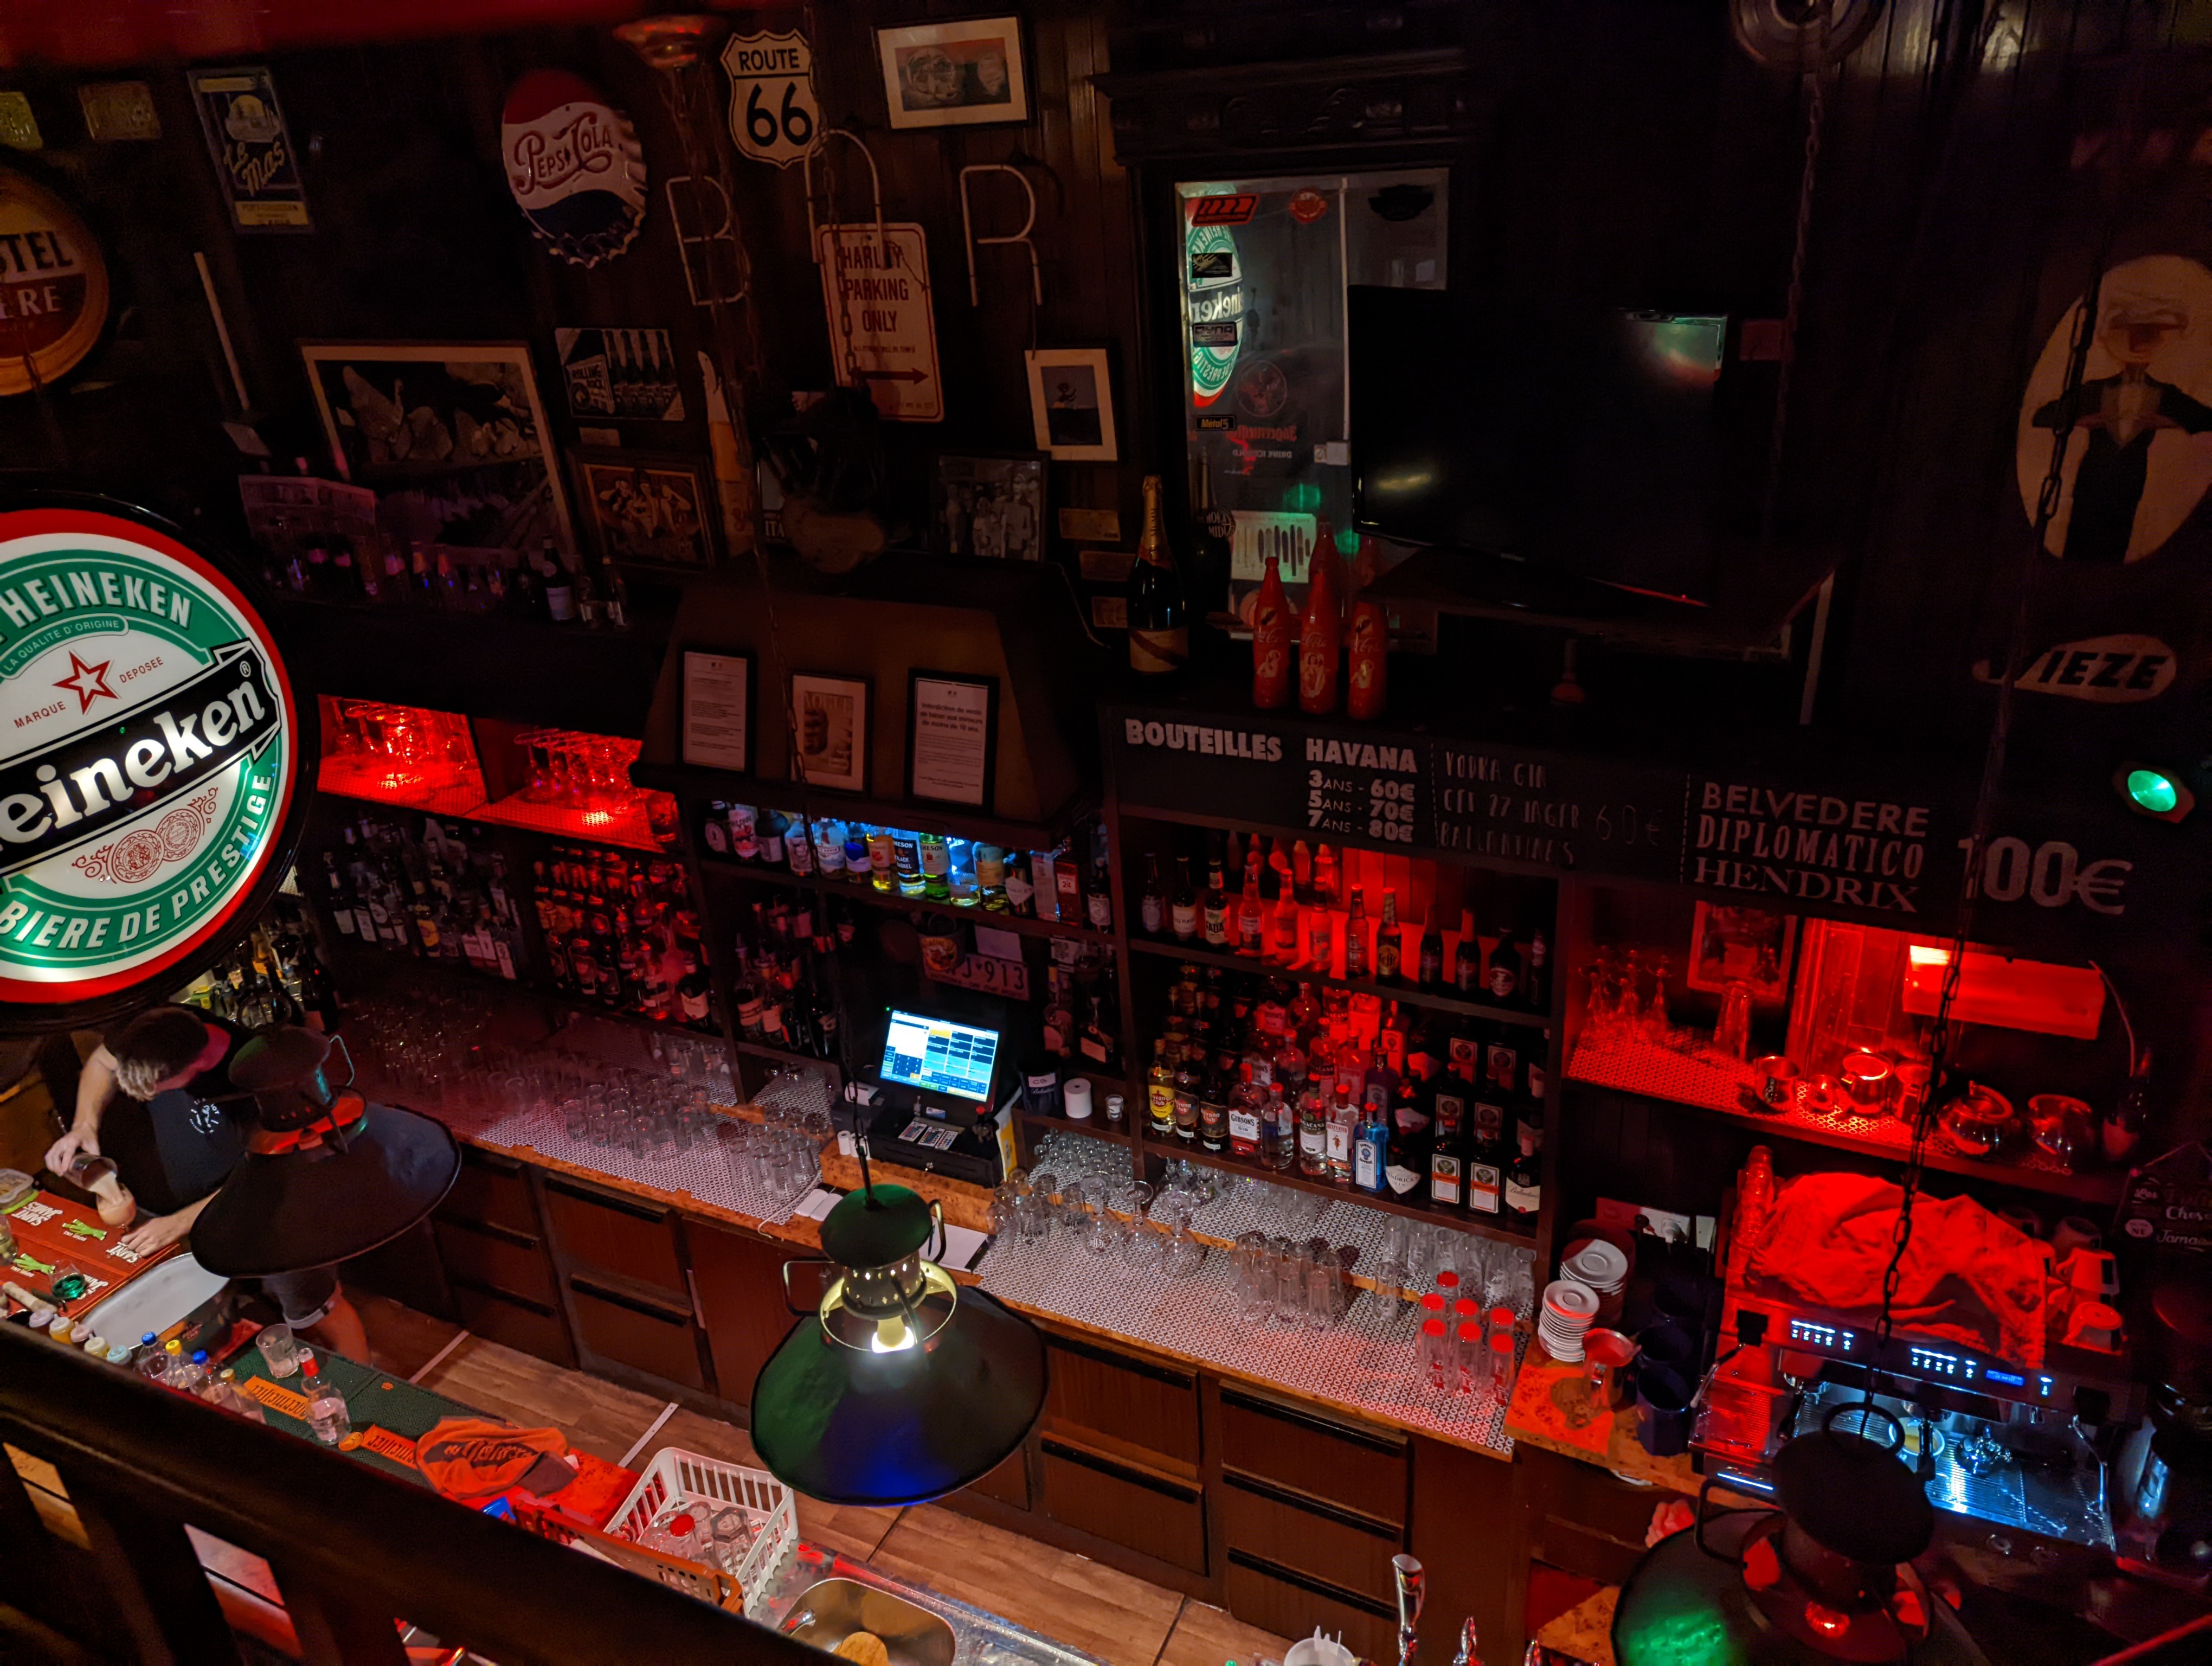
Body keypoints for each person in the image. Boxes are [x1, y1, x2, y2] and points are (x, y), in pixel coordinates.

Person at [44, 1005, 370, 1360]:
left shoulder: (257, 1078)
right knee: (219, 1317)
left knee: (317, 1313)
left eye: (156, 1090)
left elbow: (272, 1176)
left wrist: (179, 1223)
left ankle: (368, 1387)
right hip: (189, 1220)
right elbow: (103, 1062)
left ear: (197, 1064)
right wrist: (84, 1126)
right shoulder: (153, 1028)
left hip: (270, 1218)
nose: (142, 1099)